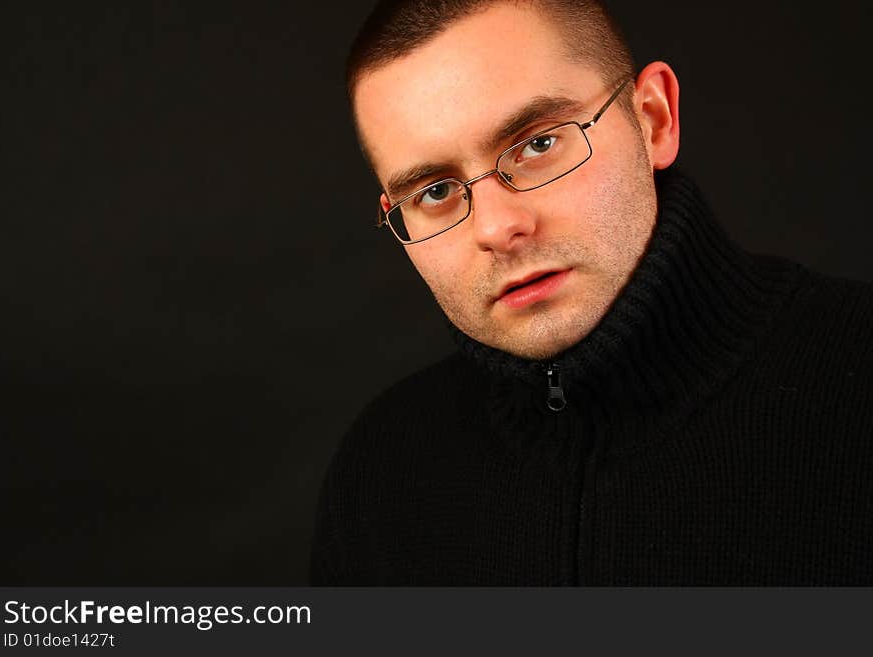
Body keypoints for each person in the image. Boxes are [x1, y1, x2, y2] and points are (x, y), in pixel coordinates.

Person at [310, 0, 873, 585]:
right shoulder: (381, 471)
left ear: (654, 119)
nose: (497, 228)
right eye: (433, 192)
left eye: (537, 144)